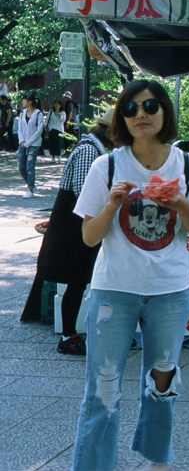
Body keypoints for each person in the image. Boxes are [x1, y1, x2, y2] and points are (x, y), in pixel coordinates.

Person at [70, 81, 189, 471]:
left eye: (150, 105)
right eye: (131, 109)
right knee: (103, 387)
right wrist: (113, 204)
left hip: (170, 289)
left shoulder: (187, 164)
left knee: (162, 381)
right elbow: (88, 237)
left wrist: (180, 201)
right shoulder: (108, 166)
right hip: (113, 289)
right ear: (122, 118)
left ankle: (157, 461)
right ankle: (92, 468)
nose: (141, 115)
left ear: (164, 111)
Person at [19, 109, 116, 352]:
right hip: (75, 227)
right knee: (77, 279)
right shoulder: (88, 152)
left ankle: (71, 333)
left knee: (79, 279)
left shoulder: (92, 149)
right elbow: (85, 193)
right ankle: (68, 336)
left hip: (75, 224)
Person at [17, 93, 44, 198]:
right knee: (21, 166)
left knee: (30, 166)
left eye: (24, 100)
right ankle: (29, 182)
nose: (23, 102)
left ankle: (30, 188)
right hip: (22, 142)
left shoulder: (38, 114)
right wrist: (22, 141)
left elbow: (39, 130)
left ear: (30, 102)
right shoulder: (22, 113)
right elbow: (20, 128)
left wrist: (28, 143)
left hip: (34, 143)